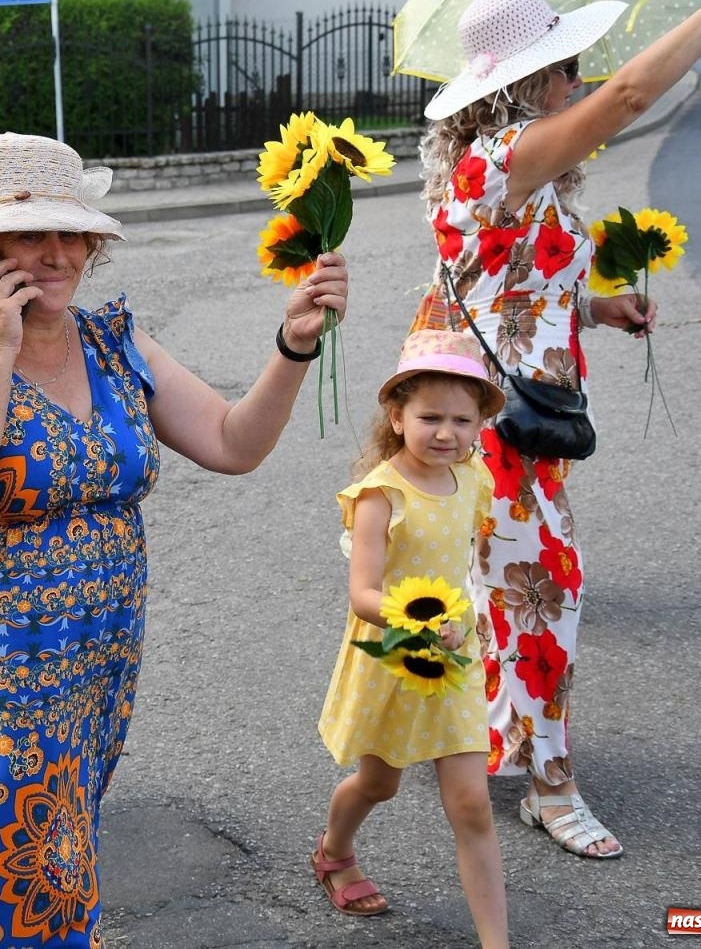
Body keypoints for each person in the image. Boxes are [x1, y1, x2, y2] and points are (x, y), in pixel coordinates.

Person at [0, 132, 349, 946]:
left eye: (71, 232)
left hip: (98, 658)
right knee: (19, 859)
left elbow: (233, 444)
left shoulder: (113, 341)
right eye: (32, 234)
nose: (58, 253)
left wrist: (294, 344)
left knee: (52, 843)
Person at [411, 0, 701, 859]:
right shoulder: (493, 166)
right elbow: (625, 101)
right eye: (565, 64)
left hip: (517, 419)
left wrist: (597, 310)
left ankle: (479, 742)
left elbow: (512, 293)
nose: (580, 78)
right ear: (527, 81)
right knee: (546, 588)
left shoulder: (513, 174)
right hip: (491, 429)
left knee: (497, 590)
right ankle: (550, 783)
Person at [315, 330, 507, 945]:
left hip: (454, 657)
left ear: (479, 424)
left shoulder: (473, 477)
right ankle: (334, 851)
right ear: (396, 417)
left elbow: (462, 557)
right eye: (429, 417)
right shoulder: (381, 495)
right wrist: (419, 622)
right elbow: (363, 594)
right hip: (392, 655)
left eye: (462, 419)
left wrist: (461, 619)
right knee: (380, 782)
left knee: (471, 803)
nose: (446, 433)